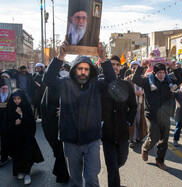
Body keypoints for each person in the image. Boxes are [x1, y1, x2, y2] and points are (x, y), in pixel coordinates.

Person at [43, 41, 116, 187]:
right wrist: (60, 56)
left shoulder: (96, 85)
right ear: (74, 69)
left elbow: (112, 81)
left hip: (92, 140)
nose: (83, 72)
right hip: (70, 140)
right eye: (80, 68)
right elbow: (48, 79)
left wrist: (104, 59)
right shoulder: (65, 83)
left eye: (86, 69)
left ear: (91, 71)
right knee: (75, 181)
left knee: (91, 179)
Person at [132, 62, 182, 171]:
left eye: (163, 72)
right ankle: (146, 148)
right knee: (154, 135)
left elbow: (180, 79)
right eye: (159, 73)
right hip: (151, 115)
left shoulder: (168, 82)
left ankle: (160, 160)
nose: (161, 75)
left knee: (164, 140)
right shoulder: (147, 82)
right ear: (154, 73)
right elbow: (135, 79)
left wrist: (174, 67)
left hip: (165, 115)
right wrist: (142, 66)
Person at [101, 55, 137, 187]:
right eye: (112, 64)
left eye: (117, 64)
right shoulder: (101, 84)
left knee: (121, 160)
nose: (115, 67)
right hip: (107, 134)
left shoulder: (126, 85)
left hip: (122, 132)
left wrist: (128, 121)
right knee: (112, 167)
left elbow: (133, 106)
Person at [6, 89, 44, 185]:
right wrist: (14, 123)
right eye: (15, 99)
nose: (17, 101)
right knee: (17, 154)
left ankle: (27, 173)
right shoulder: (10, 107)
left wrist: (22, 115)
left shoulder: (25, 107)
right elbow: (5, 123)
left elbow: (31, 122)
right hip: (14, 136)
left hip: (26, 136)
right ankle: (20, 171)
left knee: (27, 153)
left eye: (19, 98)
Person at [41, 64, 71, 184]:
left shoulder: (73, 84)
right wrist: (55, 110)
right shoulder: (52, 85)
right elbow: (45, 105)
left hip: (68, 124)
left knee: (64, 151)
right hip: (54, 122)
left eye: (67, 70)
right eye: (62, 70)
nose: (64, 72)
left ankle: (63, 175)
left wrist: (66, 109)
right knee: (58, 148)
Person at [125, 61, 147, 148]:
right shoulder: (127, 79)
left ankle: (139, 137)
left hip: (141, 103)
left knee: (139, 121)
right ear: (131, 69)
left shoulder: (143, 78)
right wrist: (134, 92)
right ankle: (131, 139)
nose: (135, 69)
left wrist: (143, 93)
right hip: (131, 105)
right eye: (133, 68)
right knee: (132, 122)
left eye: (136, 67)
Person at [0, 79, 11, 166]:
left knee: (6, 139)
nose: (4, 91)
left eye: (6, 89)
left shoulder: (11, 96)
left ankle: (5, 157)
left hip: (8, 122)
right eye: (3, 89)